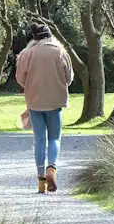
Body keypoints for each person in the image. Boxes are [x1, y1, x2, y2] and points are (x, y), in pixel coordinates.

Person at [15, 22, 75, 193]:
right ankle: (52, 168)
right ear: (50, 35)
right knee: (54, 138)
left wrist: (30, 84)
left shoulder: (28, 53)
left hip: (35, 101)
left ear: (35, 38)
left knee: (39, 139)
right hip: (56, 101)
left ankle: (41, 180)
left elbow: (20, 78)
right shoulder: (60, 52)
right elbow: (69, 78)